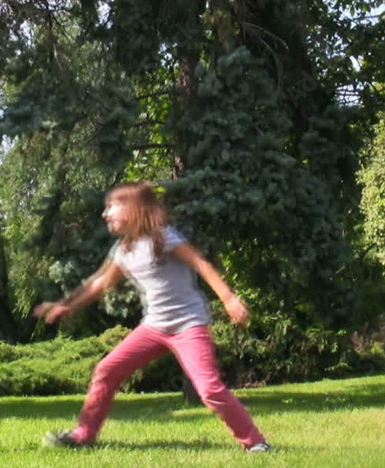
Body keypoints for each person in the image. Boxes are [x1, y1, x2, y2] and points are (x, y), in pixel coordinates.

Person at [33, 181, 271, 453]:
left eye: (112, 206)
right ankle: (83, 435)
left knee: (209, 390)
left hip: (188, 325)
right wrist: (67, 305)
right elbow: (99, 284)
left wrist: (228, 299)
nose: (105, 213)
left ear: (135, 210)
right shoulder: (122, 251)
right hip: (154, 327)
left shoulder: (164, 237)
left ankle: (255, 442)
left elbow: (200, 264)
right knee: (106, 370)